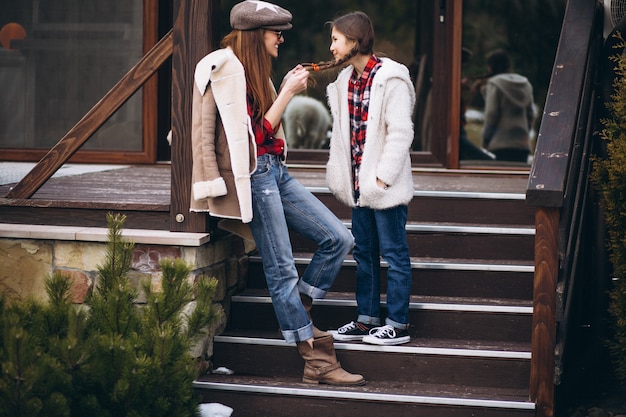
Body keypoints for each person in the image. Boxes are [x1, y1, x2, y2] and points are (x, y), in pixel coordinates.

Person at [189, 0, 364, 386]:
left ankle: (295, 309)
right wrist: (287, 92)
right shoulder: (222, 69)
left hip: (275, 172)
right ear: (255, 35)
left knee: (338, 238)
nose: (282, 39)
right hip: (253, 176)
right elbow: (250, 137)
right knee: (281, 268)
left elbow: (264, 131)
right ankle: (316, 359)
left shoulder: (254, 71)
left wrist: (281, 87)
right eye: (276, 33)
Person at [309, 11, 414, 346]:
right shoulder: (343, 82)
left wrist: (382, 179)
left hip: (383, 186)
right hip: (357, 187)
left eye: (336, 39)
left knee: (394, 253)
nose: (332, 46)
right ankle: (367, 319)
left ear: (354, 41)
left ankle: (397, 323)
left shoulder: (391, 78)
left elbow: (400, 133)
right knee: (365, 253)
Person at [477, 49, 536, 163]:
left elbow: (492, 113)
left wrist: (486, 139)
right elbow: (530, 114)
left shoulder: (494, 84)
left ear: (491, 66)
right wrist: (524, 132)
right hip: (522, 143)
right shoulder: (525, 84)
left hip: (501, 142)